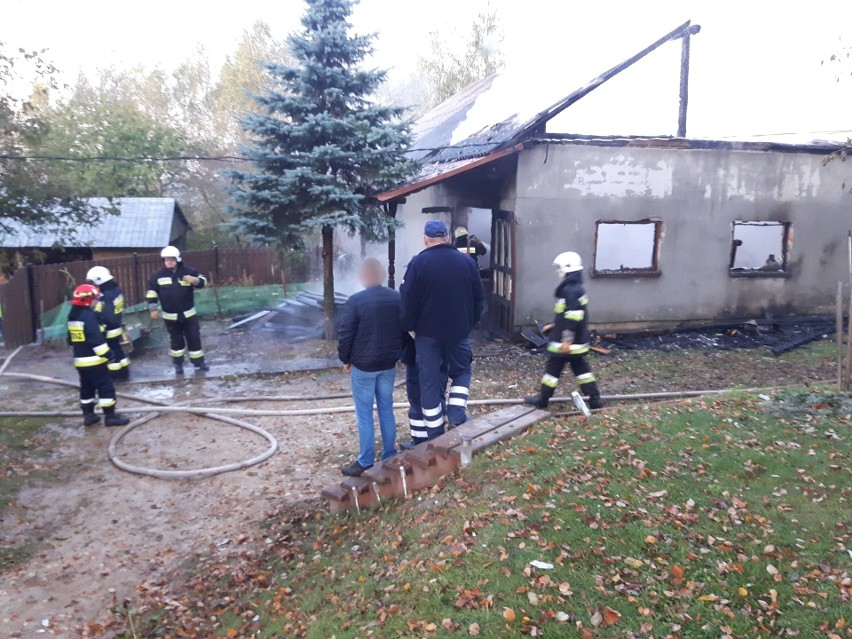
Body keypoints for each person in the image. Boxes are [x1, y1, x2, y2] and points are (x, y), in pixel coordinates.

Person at [400, 220, 486, 441]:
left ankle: (436, 434)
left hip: (426, 336)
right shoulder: (467, 262)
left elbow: (408, 300)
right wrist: (469, 324)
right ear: (447, 238)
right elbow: (479, 299)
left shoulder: (418, 263)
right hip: (458, 332)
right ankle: (456, 413)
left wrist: (409, 327)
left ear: (426, 239)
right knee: (462, 371)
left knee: (428, 383)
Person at [337, 258, 402, 476]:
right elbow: (403, 329)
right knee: (386, 408)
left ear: (363, 277)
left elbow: (346, 333)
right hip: (388, 364)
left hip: (363, 366)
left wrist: (345, 359)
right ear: (382, 275)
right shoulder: (396, 298)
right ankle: (390, 453)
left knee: (364, 414)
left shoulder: (356, 301)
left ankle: (365, 460)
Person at [524, 252, 603, 410]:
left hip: (566, 344)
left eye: (559, 268)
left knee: (552, 372)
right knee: (582, 371)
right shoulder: (575, 289)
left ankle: (543, 400)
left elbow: (573, 317)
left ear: (568, 268)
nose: (557, 271)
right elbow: (569, 315)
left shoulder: (570, 290)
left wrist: (566, 339)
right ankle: (595, 400)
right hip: (576, 342)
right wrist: (554, 325)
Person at [67, 284, 130, 427]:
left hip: (81, 362)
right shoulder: (88, 317)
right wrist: (109, 355)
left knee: (86, 388)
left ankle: (89, 416)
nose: (97, 302)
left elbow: (70, 340)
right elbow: (96, 340)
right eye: (95, 299)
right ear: (87, 300)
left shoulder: (73, 315)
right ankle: (110, 416)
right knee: (105, 387)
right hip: (95, 361)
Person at [146, 246, 209, 374]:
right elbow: (151, 292)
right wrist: (153, 309)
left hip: (189, 314)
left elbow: (204, 281)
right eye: (166, 260)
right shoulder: (158, 276)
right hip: (170, 317)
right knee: (176, 341)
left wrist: (195, 280)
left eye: (171, 259)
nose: (169, 262)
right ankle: (178, 364)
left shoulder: (189, 271)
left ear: (177, 259)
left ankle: (199, 363)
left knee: (194, 338)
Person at [87, 266, 130, 380]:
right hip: (116, 326)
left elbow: (103, 313)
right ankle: (124, 372)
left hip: (108, 329)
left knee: (110, 353)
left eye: (94, 283)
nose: (94, 286)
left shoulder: (106, 297)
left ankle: (115, 376)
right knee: (118, 350)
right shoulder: (116, 291)